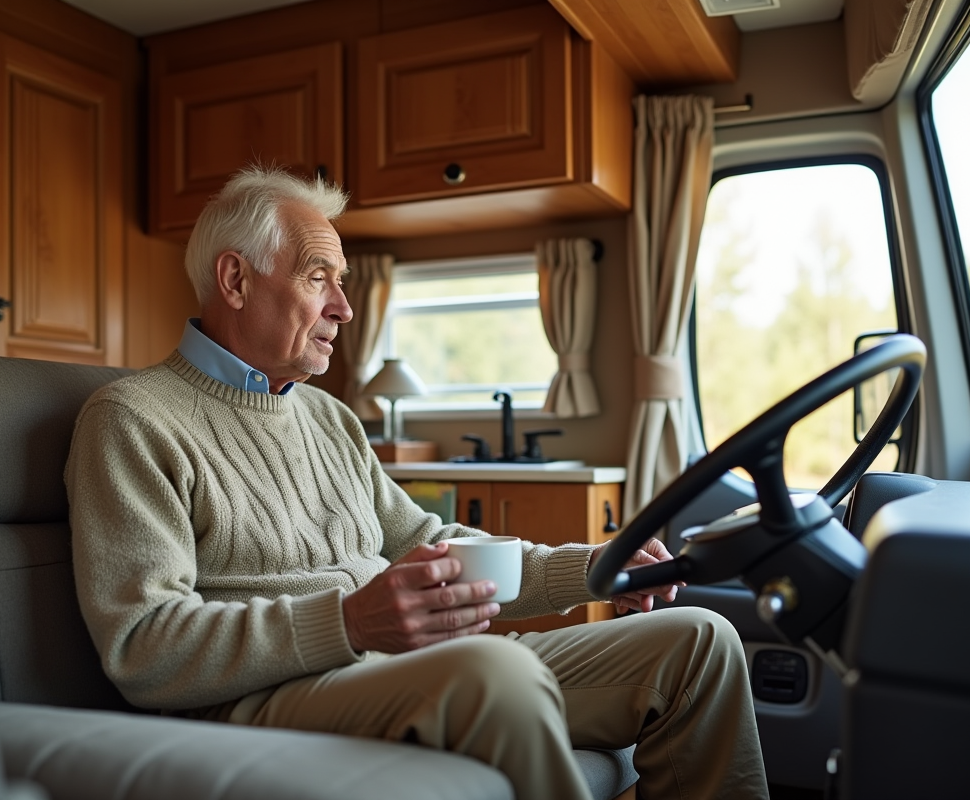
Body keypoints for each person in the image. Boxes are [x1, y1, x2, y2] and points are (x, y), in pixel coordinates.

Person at [65, 166, 769, 800]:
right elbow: (144, 646)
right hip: (269, 695)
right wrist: (347, 621)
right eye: (319, 278)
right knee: (497, 676)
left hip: (407, 665)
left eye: (341, 282)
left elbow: (433, 546)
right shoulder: (132, 419)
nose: (343, 307)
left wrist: (589, 569)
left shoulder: (328, 417)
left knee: (700, 641)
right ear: (236, 280)